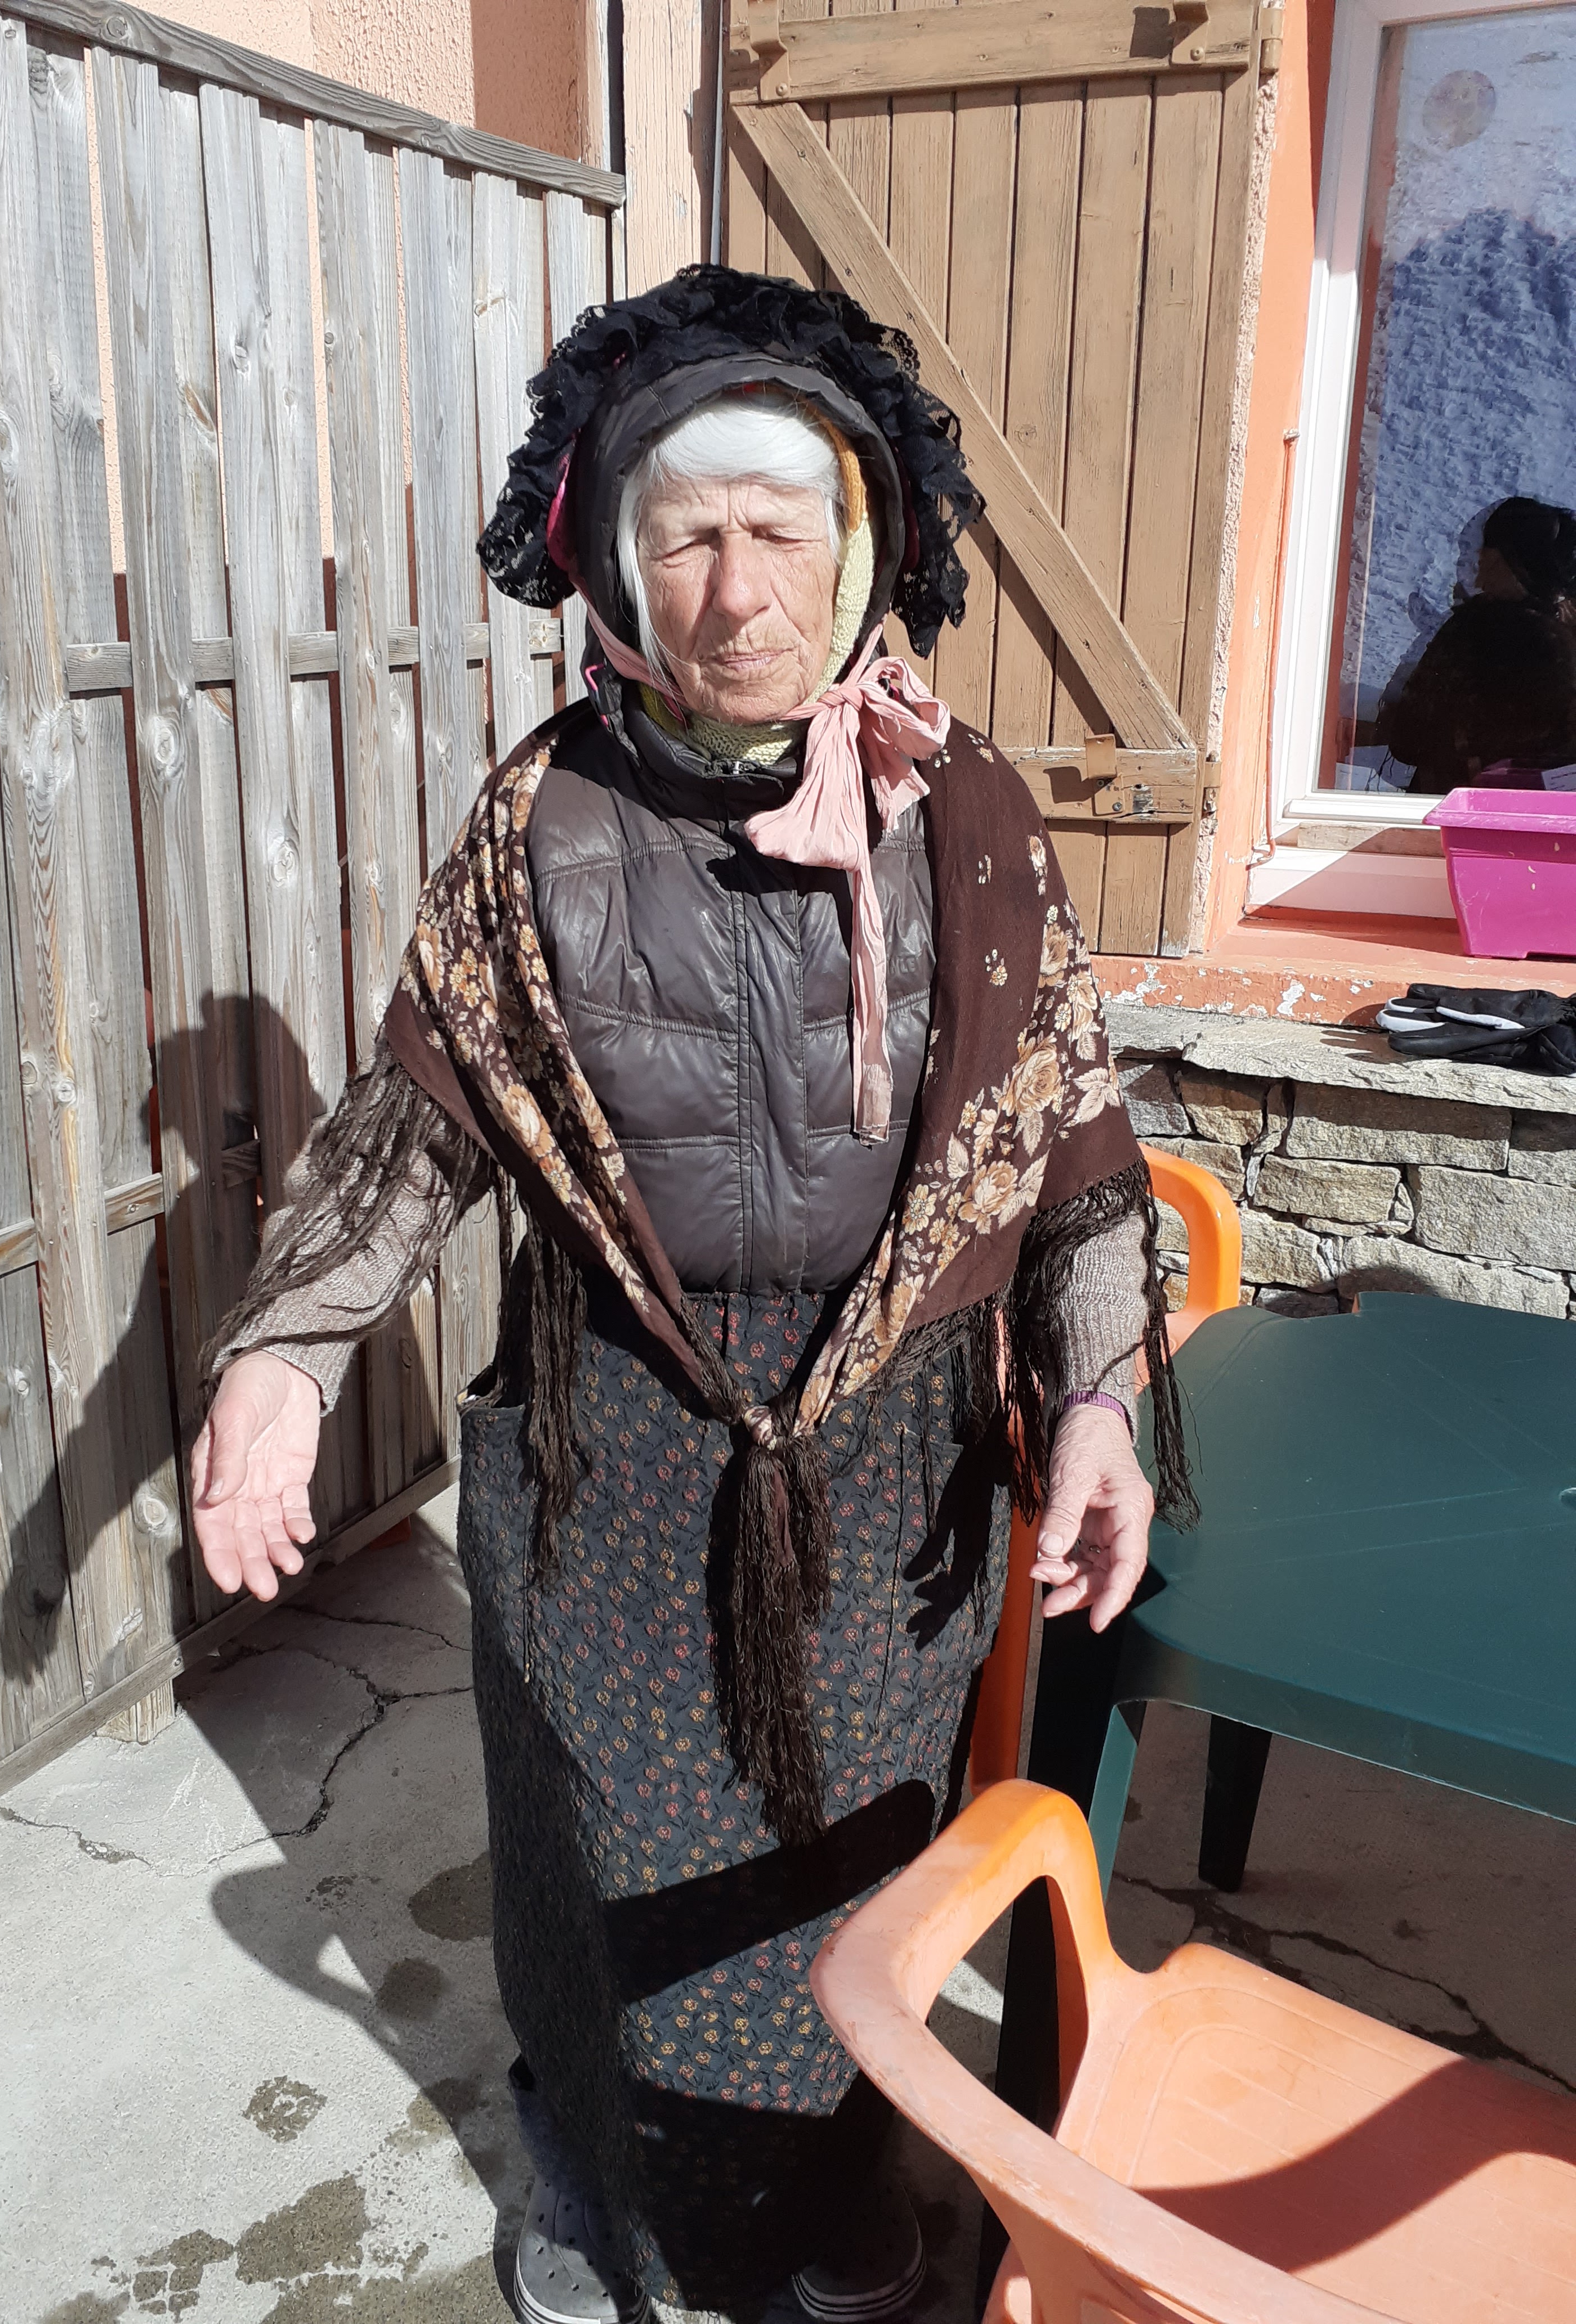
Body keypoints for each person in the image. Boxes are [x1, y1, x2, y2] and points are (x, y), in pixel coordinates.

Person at [190, 266, 1191, 2324]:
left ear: (861, 547)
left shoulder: (967, 818)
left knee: (857, 1857)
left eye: (779, 529)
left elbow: (1072, 1158)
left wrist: (1097, 1404)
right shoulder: (539, 822)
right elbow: (415, 1123)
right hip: (616, 1450)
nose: (737, 591)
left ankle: (844, 2201)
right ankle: (600, 2195)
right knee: (605, 1867)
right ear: (614, 567)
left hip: (891, 1457)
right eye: (689, 534)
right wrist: (285, 1355)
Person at [1374, 494, 1576, 793]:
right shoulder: (1567, 631)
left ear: (1516, 565)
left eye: (1488, 560)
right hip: (1547, 812)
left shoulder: (1475, 629)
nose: (1479, 577)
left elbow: (1408, 739)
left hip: (1458, 804)